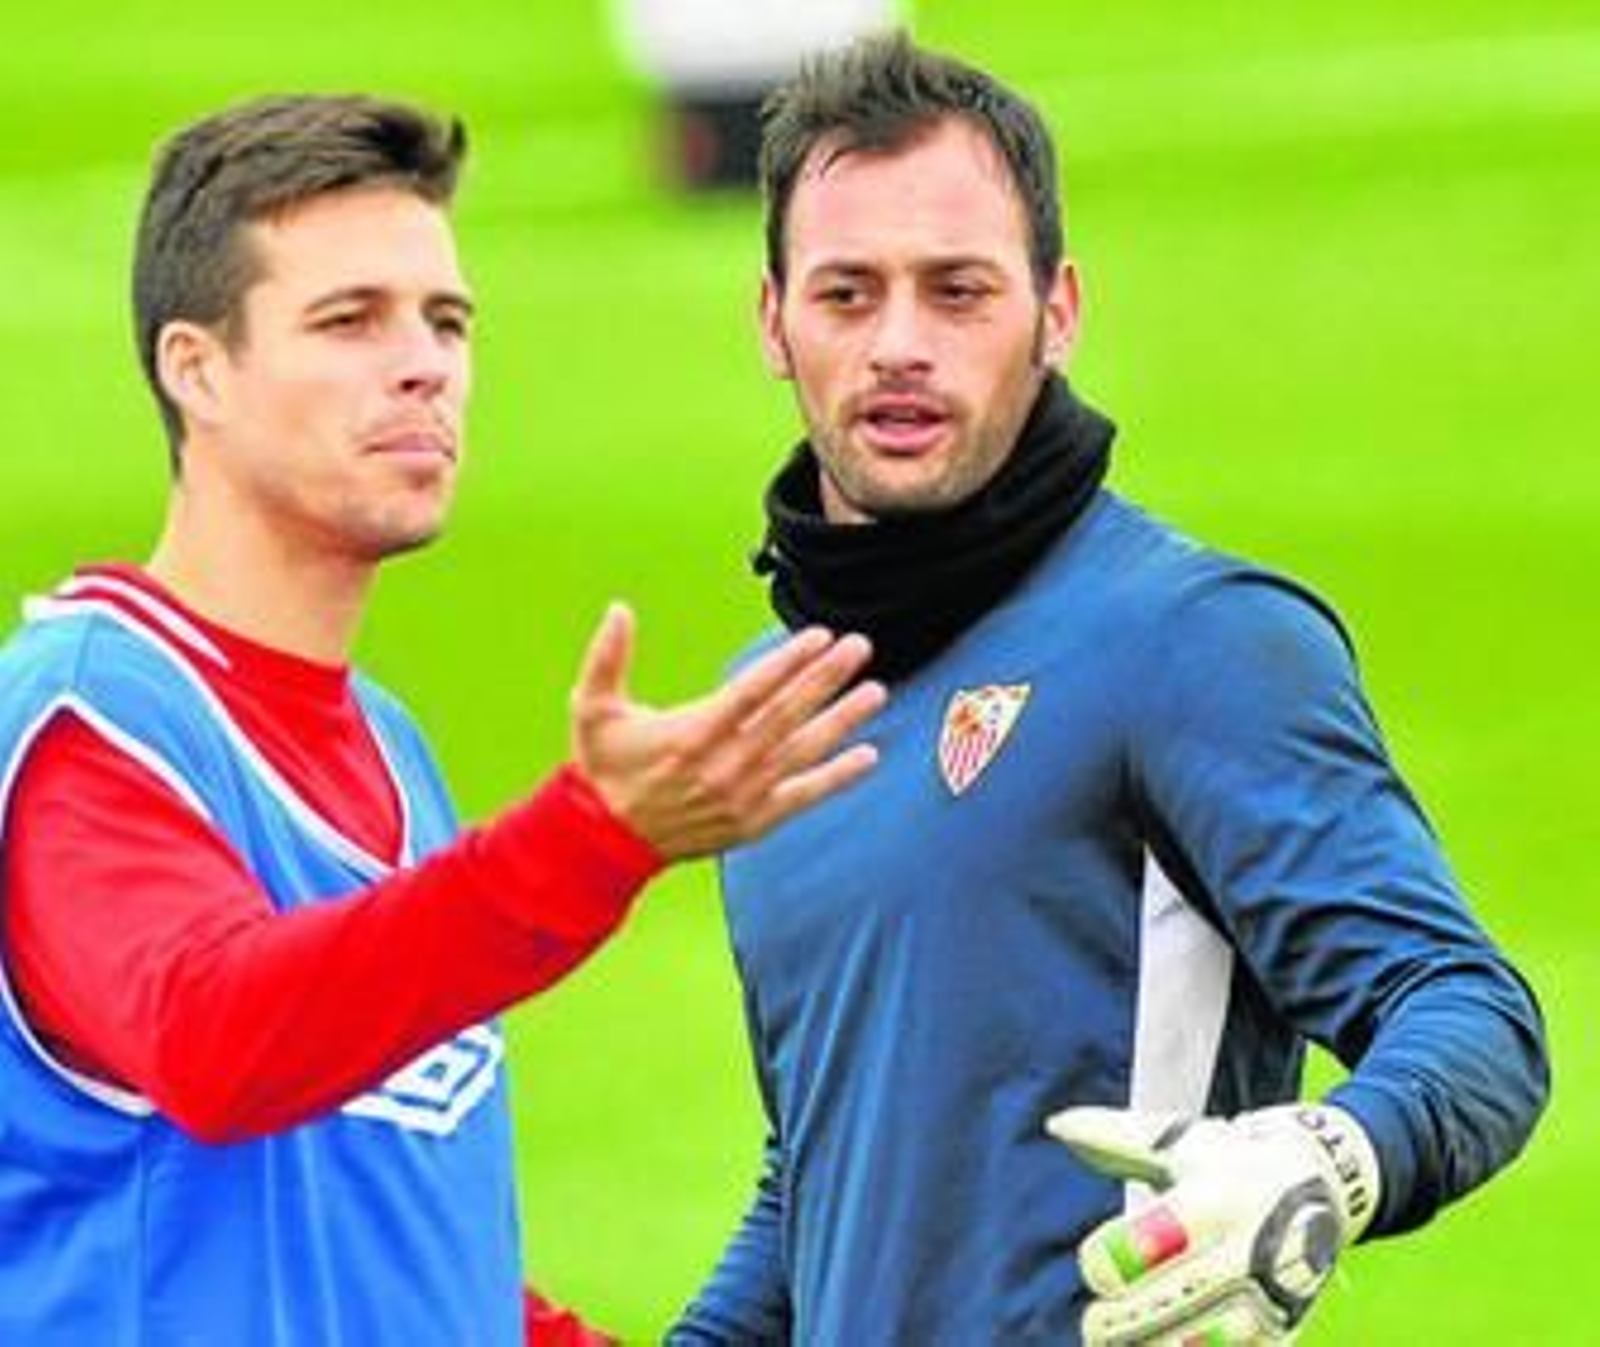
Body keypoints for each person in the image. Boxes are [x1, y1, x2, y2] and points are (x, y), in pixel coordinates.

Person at [671, 33, 1550, 1345]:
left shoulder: (1190, 641)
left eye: (958, 291)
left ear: (1058, 309)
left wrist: (1329, 1152)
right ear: (772, 321)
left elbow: (1468, 1012)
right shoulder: (772, 713)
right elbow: (825, 1173)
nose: (900, 344)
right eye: (848, 294)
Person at [0, 95, 887, 1345]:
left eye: (445, 319)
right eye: (349, 321)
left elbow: (395, 1229)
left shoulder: (387, 751)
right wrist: (595, 841)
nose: (422, 363)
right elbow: (217, 1043)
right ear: (195, 368)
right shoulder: (95, 721)